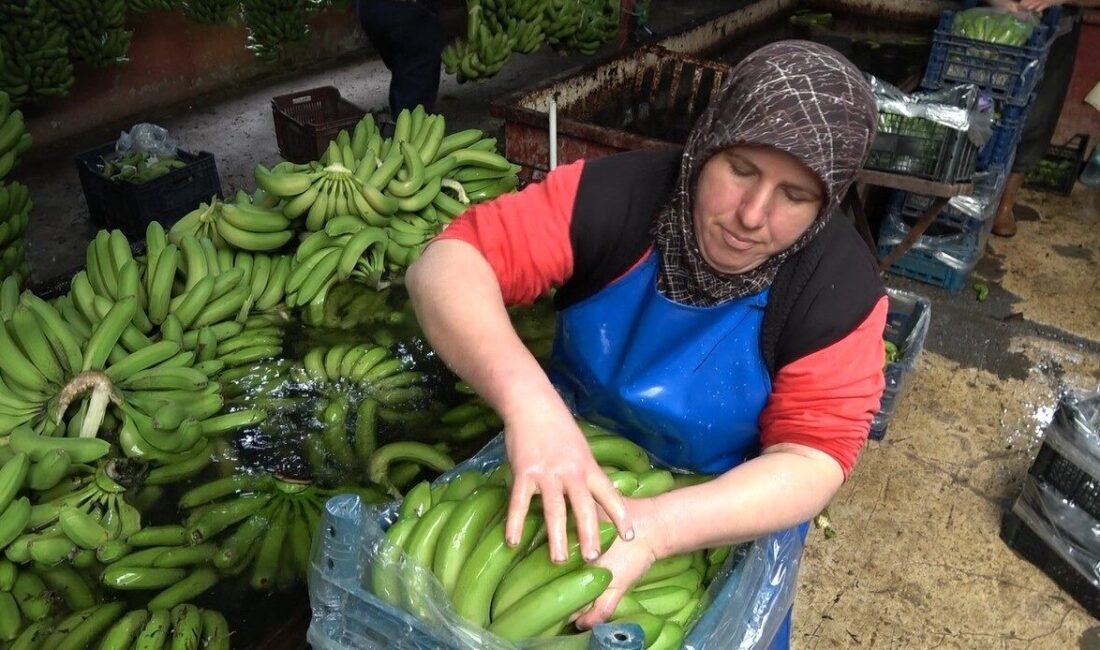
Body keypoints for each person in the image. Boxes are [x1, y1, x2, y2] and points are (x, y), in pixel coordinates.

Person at [407, 41, 888, 648]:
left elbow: (812, 459)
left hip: (724, 501)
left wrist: (657, 528)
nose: (751, 215)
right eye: (740, 168)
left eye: (795, 195)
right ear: (707, 142)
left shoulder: (838, 286)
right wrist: (531, 406)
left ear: (828, 202)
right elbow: (446, 266)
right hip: (563, 444)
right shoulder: (618, 196)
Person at [990, 0, 1095, 236]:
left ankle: (1005, 204)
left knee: (1039, 113)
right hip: (996, 19)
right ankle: (969, 197)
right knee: (988, 107)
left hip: (1058, 29)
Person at [356, 0, 443, 117]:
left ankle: (402, 115)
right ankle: (410, 126)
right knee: (416, 67)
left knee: (402, 64)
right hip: (406, 8)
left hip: (369, 8)